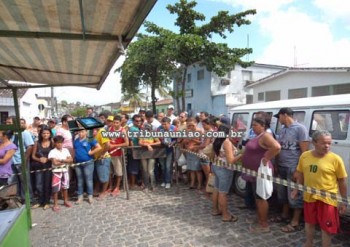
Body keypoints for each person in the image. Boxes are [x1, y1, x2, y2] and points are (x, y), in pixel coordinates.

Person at [293, 130, 347, 247]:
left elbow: (342, 181)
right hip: (309, 197)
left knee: (326, 226)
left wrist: (343, 200)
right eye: (323, 143)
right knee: (309, 222)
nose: (327, 146)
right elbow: (300, 174)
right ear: (314, 142)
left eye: (329, 143)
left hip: (327, 199)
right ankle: (308, 244)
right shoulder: (305, 156)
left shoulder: (336, 159)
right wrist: (296, 189)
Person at [241, 117, 281, 233]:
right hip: (254, 173)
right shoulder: (258, 136)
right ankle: (259, 218)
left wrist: (266, 158)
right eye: (252, 125)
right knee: (257, 197)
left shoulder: (265, 136)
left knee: (261, 198)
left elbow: (277, 147)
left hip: (260, 172)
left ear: (263, 126)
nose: (252, 127)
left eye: (255, 125)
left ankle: (263, 224)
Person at [274, 107, 310, 233]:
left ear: (284, 115)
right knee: (283, 193)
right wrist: (277, 164)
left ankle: (295, 221)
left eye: (279, 117)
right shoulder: (283, 130)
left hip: (293, 166)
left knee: (295, 194)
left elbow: (304, 152)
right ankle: (285, 215)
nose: (278, 120)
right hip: (283, 166)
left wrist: (299, 170)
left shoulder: (300, 129)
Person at [211, 124, 242, 222]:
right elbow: (230, 160)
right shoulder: (226, 142)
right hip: (224, 169)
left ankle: (215, 210)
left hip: (216, 166)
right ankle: (225, 215)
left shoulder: (216, 139)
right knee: (223, 192)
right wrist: (241, 154)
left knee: (216, 189)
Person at [6, 116, 35, 203]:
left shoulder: (24, 133)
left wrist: (24, 160)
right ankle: (17, 199)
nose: (7, 125)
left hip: (21, 161)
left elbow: (30, 146)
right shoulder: (8, 134)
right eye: (6, 123)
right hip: (11, 162)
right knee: (13, 182)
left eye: (9, 123)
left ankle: (28, 199)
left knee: (25, 181)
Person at [74, 129, 101, 204]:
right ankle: (80, 196)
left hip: (88, 162)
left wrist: (91, 152)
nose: (80, 133)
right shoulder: (76, 140)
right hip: (78, 163)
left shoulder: (90, 139)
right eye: (79, 132)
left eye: (82, 132)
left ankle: (90, 195)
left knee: (88, 179)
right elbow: (74, 150)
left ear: (86, 132)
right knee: (80, 180)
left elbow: (98, 147)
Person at [31, 126, 54, 210]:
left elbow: (55, 153)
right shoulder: (37, 143)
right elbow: (33, 156)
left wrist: (47, 159)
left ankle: (46, 202)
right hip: (38, 166)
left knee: (47, 184)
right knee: (38, 184)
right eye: (44, 133)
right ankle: (40, 201)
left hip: (48, 166)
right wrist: (39, 159)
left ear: (50, 134)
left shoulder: (52, 142)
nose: (45, 135)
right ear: (41, 134)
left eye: (47, 133)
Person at [48, 135, 73, 212]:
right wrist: (65, 160)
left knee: (65, 187)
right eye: (58, 143)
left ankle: (66, 201)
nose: (60, 144)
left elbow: (71, 160)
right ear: (55, 143)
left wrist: (61, 160)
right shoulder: (52, 152)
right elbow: (55, 162)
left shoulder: (66, 150)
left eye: (61, 143)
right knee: (56, 188)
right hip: (56, 172)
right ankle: (55, 204)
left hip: (65, 170)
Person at [108, 115, 129, 196]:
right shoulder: (110, 129)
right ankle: (110, 186)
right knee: (110, 172)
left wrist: (115, 146)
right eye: (114, 122)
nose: (115, 124)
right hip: (110, 153)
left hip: (118, 154)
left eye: (117, 123)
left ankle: (117, 187)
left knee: (118, 172)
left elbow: (126, 143)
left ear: (120, 122)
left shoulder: (123, 131)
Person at [180, 118, 203, 190]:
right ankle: (192, 183)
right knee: (191, 169)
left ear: (196, 123)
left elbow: (201, 143)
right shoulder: (187, 131)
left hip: (196, 151)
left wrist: (192, 139)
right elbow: (183, 141)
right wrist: (185, 141)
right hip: (188, 151)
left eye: (192, 125)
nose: (191, 127)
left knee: (197, 169)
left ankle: (199, 184)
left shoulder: (200, 131)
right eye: (189, 125)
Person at [139, 123, 161, 191]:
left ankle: (153, 185)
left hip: (151, 154)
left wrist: (150, 144)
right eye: (146, 129)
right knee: (145, 171)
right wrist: (147, 145)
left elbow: (159, 142)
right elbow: (140, 142)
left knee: (150, 171)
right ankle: (146, 186)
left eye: (149, 129)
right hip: (143, 154)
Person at [157, 117, 177, 189]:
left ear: (169, 123)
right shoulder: (159, 129)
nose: (163, 126)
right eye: (162, 124)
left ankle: (168, 181)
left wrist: (172, 143)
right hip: (161, 150)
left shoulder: (174, 129)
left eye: (165, 124)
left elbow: (176, 139)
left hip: (170, 150)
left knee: (168, 166)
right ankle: (164, 180)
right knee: (163, 166)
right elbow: (158, 138)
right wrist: (163, 142)